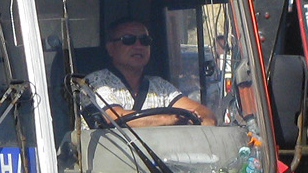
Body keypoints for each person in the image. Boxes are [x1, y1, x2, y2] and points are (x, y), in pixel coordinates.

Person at [85, 18, 216, 126]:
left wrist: (203, 120)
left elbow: (204, 113)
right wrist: (167, 120)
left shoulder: (160, 86)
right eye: (128, 40)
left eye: (144, 41)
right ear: (110, 48)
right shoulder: (95, 82)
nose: (138, 46)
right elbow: (112, 117)